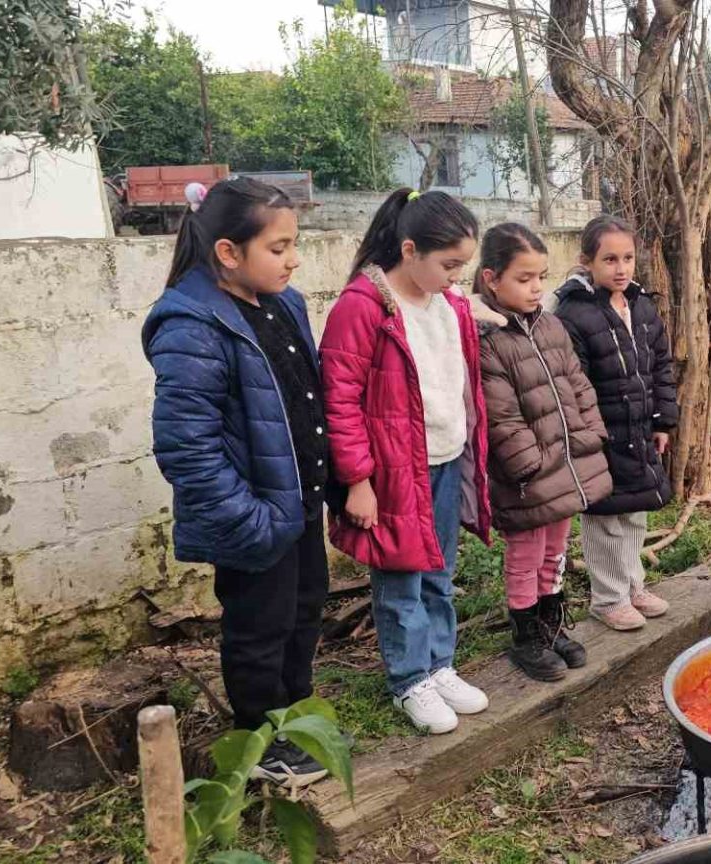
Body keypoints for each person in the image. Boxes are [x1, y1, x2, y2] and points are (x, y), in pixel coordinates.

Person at [142, 178, 333, 788]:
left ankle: (294, 720)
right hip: (256, 515)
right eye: (278, 248)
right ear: (228, 252)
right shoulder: (190, 326)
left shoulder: (284, 303)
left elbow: (304, 397)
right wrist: (249, 520)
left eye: (294, 244)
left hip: (299, 501)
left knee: (303, 612)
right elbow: (185, 447)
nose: (293, 260)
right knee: (259, 630)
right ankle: (261, 739)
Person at [319, 188, 494, 735]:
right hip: (394, 472)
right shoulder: (363, 307)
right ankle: (409, 679)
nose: (456, 277)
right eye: (449, 265)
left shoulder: (448, 303)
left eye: (462, 266)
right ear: (410, 249)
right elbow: (340, 400)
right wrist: (357, 480)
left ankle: (440, 664)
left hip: (445, 459)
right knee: (401, 578)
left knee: (440, 569)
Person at [474, 223, 613, 681]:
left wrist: (591, 435)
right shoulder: (487, 339)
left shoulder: (550, 325)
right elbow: (501, 417)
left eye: (541, 277)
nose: (536, 288)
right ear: (492, 279)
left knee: (555, 550)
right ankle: (527, 636)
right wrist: (530, 467)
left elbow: (578, 385)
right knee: (525, 554)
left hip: (566, 466)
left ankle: (551, 626)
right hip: (528, 476)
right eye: (524, 278)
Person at [554, 216, 678, 631]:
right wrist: (589, 436)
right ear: (587, 261)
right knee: (604, 517)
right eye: (609, 259)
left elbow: (661, 366)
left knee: (634, 512)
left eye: (627, 258)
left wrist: (662, 421)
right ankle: (607, 599)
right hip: (601, 436)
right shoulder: (573, 314)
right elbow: (573, 385)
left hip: (639, 430)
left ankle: (632, 587)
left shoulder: (641, 306)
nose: (621, 268)